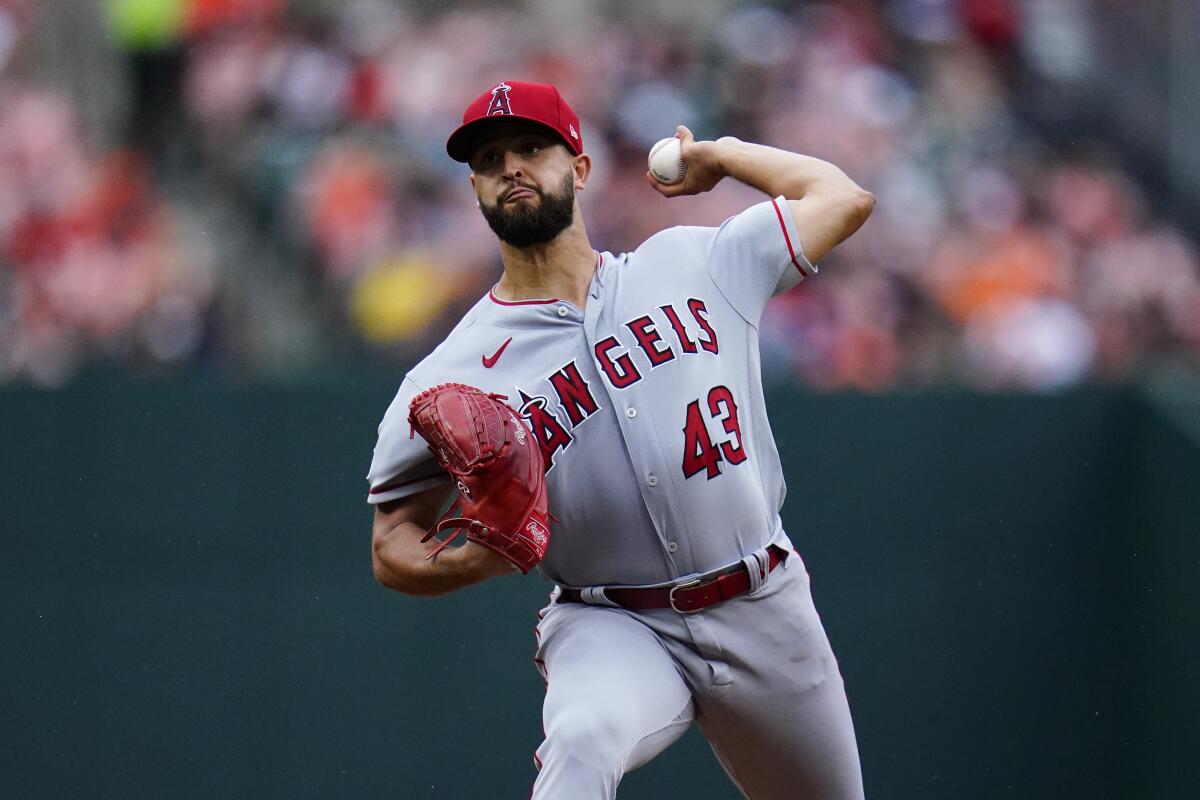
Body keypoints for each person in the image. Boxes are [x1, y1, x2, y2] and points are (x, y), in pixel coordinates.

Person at [367, 80, 874, 799]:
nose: (510, 166)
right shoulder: (447, 372)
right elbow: (392, 538)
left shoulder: (693, 265)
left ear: (579, 167)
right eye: (489, 158)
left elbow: (843, 198)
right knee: (583, 737)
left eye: (532, 147)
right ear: (475, 188)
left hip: (764, 602)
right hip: (614, 623)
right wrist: (472, 561)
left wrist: (723, 157)